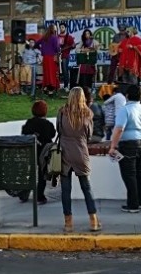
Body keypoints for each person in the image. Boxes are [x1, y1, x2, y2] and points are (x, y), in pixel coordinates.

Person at [58, 88, 101, 232]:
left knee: (65, 190)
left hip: (65, 153)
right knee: (86, 188)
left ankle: (68, 223)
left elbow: (59, 130)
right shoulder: (87, 113)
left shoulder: (62, 112)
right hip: (81, 152)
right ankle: (93, 221)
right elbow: (89, 135)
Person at [108, 84, 141, 213]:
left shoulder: (124, 110)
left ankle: (133, 204)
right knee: (140, 173)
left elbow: (119, 129)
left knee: (129, 175)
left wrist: (113, 146)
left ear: (127, 96)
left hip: (128, 145)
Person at [21, 101, 57, 204]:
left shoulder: (29, 123)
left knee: (29, 172)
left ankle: (23, 193)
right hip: (44, 153)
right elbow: (52, 134)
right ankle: (40, 196)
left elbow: (24, 134)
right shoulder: (48, 124)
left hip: (31, 152)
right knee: (42, 174)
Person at [36, 25, 61, 96]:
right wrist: (58, 50)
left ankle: (46, 88)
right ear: (53, 29)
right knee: (52, 74)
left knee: (47, 73)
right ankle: (51, 90)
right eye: (55, 28)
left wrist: (42, 50)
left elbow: (36, 44)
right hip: (51, 58)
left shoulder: (44, 37)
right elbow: (57, 48)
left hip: (45, 58)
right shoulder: (54, 37)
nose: (56, 29)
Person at [58, 23, 77, 90]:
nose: (61, 28)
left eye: (63, 27)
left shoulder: (69, 37)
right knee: (57, 71)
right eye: (60, 27)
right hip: (57, 56)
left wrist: (73, 46)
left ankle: (66, 86)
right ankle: (57, 85)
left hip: (65, 56)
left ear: (65, 28)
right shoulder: (57, 37)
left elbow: (73, 46)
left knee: (65, 71)